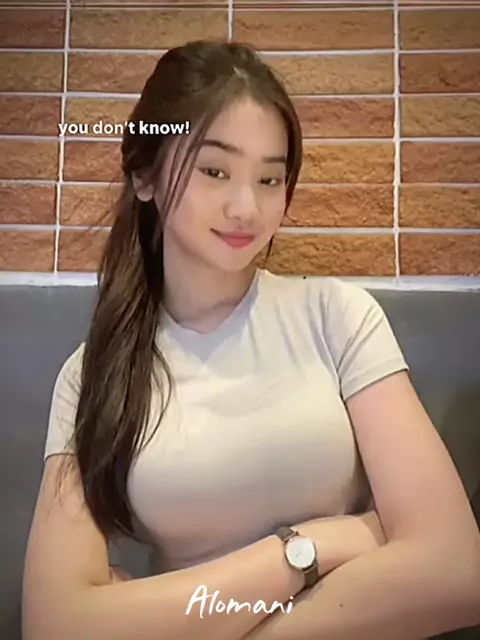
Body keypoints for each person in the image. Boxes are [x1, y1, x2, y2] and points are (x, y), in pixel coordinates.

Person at [22, 40, 479, 640]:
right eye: (215, 171)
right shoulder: (93, 374)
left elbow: (456, 570)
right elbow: (58, 625)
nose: (247, 207)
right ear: (145, 176)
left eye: (269, 178)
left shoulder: (337, 318)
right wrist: (307, 550)